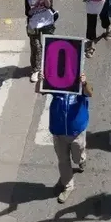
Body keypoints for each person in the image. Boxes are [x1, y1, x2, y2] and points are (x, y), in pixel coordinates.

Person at [47, 72, 92, 203]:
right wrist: (41, 80)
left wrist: (84, 83)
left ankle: (82, 159)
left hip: (76, 131)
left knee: (77, 157)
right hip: (58, 131)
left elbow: (90, 93)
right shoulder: (56, 85)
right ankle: (68, 185)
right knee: (63, 160)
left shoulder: (79, 85)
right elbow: (40, 89)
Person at [25, 0, 55, 82]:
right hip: (34, 24)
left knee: (50, 45)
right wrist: (32, 10)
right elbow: (27, 12)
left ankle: (49, 67)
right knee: (36, 47)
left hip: (47, 22)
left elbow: (49, 5)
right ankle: (35, 70)